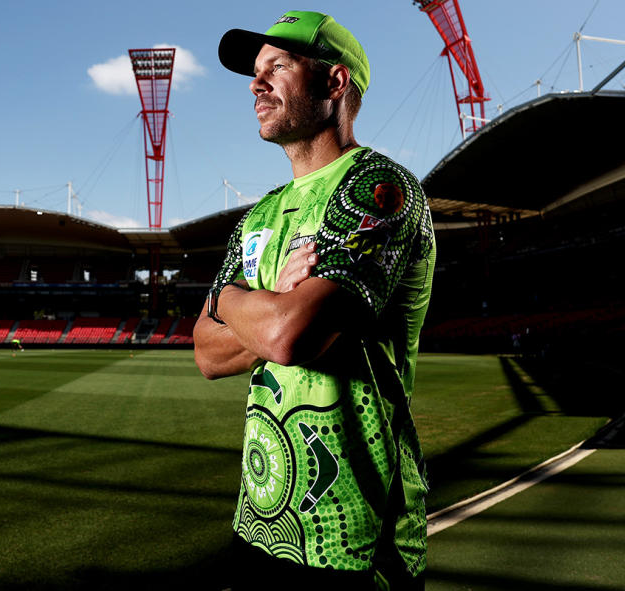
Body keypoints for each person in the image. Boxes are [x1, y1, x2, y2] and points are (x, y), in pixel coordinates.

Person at [193, 10, 435, 590]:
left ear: (335, 83)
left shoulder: (378, 187)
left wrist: (234, 304)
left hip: (355, 532)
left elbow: (289, 337)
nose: (257, 83)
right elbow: (204, 353)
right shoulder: (260, 213)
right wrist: (268, 297)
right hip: (260, 519)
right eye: (255, 71)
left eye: (278, 66)